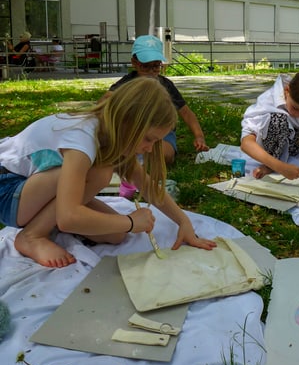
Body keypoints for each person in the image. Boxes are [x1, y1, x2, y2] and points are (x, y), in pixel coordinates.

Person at [0, 77, 216, 268]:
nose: (149, 148)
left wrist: (183, 221)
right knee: (101, 174)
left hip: (30, 192)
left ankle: (43, 226)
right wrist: (131, 222)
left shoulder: (113, 135)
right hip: (7, 189)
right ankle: (32, 236)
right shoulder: (82, 138)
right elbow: (67, 217)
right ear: (127, 123)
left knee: (116, 234)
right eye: (149, 139)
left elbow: (146, 184)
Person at [103, 35, 209, 198]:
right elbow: (104, 103)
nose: (152, 72)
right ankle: (130, 164)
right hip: (134, 132)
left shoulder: (165, 84)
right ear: (134, 63)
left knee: (165, 154)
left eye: (156, 66)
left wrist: (199, 136)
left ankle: (133, 165)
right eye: (147, 67)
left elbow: (186, 112)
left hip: (161, 133)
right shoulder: (126, 84)